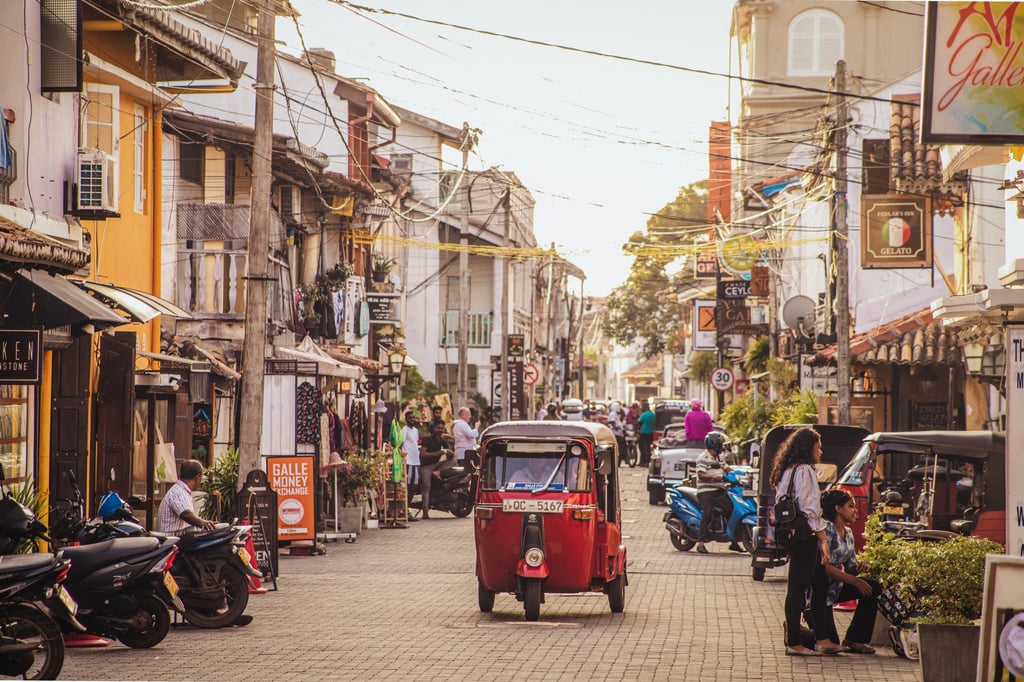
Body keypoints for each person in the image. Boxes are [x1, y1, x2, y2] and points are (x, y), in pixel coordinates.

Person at [769, 427, 840, 656]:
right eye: (818, 447)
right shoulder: (805, 471)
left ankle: (822, 638)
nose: (821, 451)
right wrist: (823, 539)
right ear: (808, 448)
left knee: (820, 584)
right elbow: (810, 508)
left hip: (790, 533)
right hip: (805, 536)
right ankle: (794, 641)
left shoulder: (786, 470)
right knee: (797, 588)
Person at [819, 489, 882, 654]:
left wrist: (859, 568)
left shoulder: (848, 532)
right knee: (830, 644)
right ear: (838, 509)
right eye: (850, 506)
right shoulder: (826, 531)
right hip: (820, 593)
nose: (855, 510)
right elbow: (824, 568)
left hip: (838, 588)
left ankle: (855, 639)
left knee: (873, 587)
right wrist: (855, 581)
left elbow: (850, 568)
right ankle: (795, 632)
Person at [695, 431, 741, 554]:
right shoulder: (703, 458)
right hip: (706, 491)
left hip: (720, 489)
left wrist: (739, 474)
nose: (722, 446)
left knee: (733, 507)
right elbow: (700, 474)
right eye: (720, 444)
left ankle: (734, 541)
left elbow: (727, 468)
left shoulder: (720, 457)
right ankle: (700, 542)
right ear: (714, 445)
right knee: (708, 511)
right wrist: (715, 477)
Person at [157, 459, 217, 533]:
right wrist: (203, 522)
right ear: (198, 477)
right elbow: (186, 514)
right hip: (172, 540)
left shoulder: (181, 490)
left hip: (179, 538)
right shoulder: (178, 492)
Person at [418, 420, 454, 519]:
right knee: (426, 486)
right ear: (434, 429)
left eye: (442, 428)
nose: (440, 430)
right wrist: (437, 453)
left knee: (454, 461)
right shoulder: (428, 439)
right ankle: (425, 511)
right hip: (426, 466)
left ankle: (438, 472)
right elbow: (423, 454)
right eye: (438, 428)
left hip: (437, 466)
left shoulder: (442, 440)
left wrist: (450, 453)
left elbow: (449, 453)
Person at [401, 411, 421, 488]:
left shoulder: (416, 430)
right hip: (408, 461)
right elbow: (400, 444)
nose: (412, 419)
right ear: (406, 419)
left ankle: (409, 500)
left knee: (415, 484)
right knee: (408, 484)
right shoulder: (404, 430)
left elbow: (416, 444)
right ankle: (407, 500)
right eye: (410, 418)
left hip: (416, 461)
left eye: (413, 417)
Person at [637, 401, 655, 466]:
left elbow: (639, 423)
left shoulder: (643, 415)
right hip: (651, 433)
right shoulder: (653, 414)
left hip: (643, 433)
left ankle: (642, 461)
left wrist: (637, 432)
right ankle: (648, 461)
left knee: (642, 447)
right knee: (648, 447)